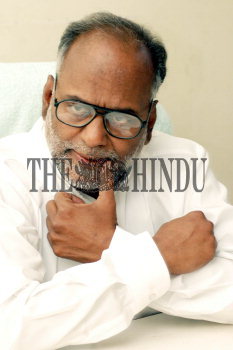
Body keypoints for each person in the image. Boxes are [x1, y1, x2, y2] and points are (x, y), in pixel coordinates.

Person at [0, 11, 232, 350]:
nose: (94, 137)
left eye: (122, 119)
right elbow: (11, 325)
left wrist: (107, 244)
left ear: (150, 123)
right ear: (49, 98)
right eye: (77, 108)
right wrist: (160, 258)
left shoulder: (185, 160)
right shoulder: (6, 172)